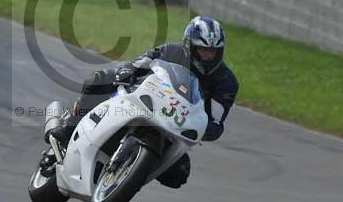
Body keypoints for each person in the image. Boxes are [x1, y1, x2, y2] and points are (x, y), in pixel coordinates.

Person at [45, 16, 239, 189]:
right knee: (98, 79)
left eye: (212, 52)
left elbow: (216, 121)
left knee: (179, 174)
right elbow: (139, 62)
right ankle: (69, 127)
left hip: (175, 126)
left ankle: (131, 172)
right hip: (142, 98)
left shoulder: (226, 82)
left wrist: (204, 129)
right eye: (202, 50)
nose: (207, 56)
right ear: (189, 45)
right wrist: (126, 71)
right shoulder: (170, 51)